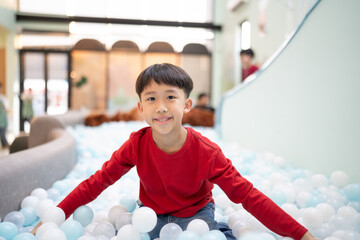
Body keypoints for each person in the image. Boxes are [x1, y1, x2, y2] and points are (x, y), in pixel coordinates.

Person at [31, 63, 316, 240]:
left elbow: (247, 194)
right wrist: (54, 217)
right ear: (140, 109)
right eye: (151, 99)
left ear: (187, 105)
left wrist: (301, 234)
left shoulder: (206, 152)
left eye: (171, 97)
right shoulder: (137, 144)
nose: (162, 107)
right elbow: (98, 181)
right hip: (150, 216)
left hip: (196, 215)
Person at [0, 83, 9, 148]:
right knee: (2, 132)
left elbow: (6, 108)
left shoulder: (3, 98)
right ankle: (5, 144)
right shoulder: (3, 98)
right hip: (2, 118)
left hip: (2, 118)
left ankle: (5, 144)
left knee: (2, 131)